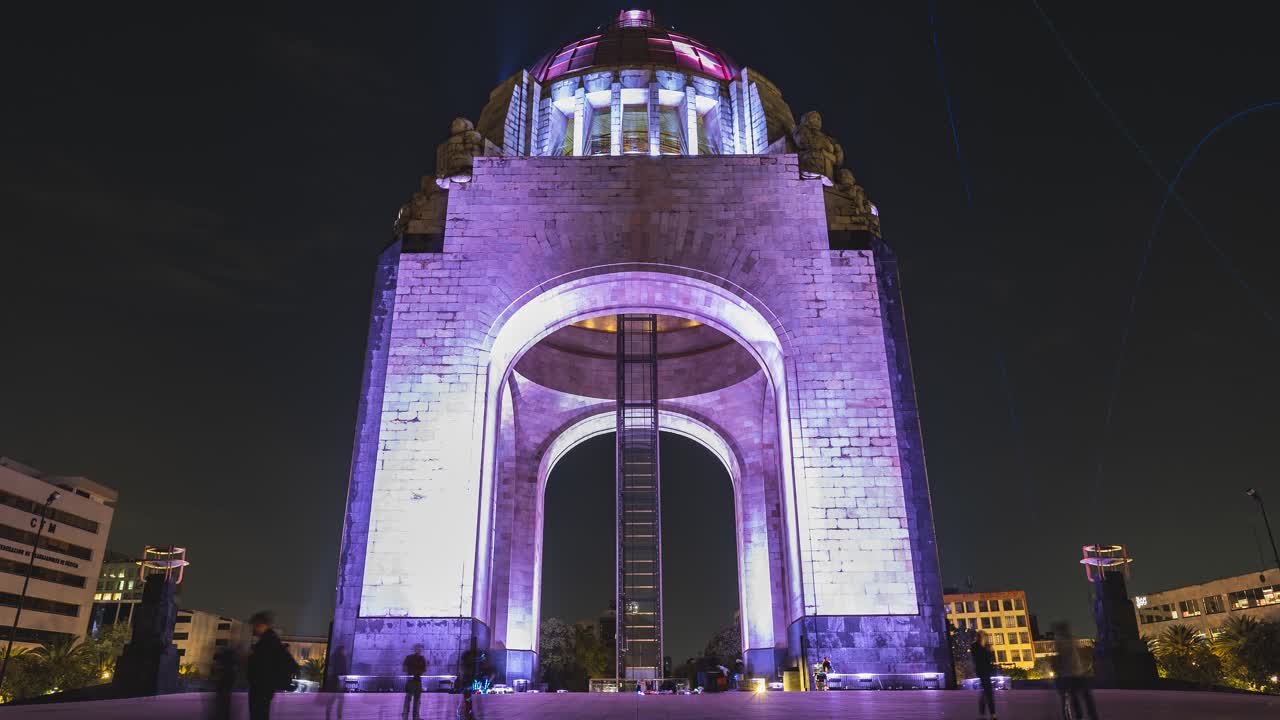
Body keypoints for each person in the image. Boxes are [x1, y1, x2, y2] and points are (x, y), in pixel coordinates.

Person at [247, 611, 297, 720]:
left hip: (261, 686)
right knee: (260, 714)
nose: (254, 629)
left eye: (255, 625)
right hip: (263, 686)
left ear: (261, 625)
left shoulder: (269, 641)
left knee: (259, 714)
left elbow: (264, 664)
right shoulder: (270, 639)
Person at [1053, 622, 1099, 719]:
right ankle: (1089, 716)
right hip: (1075, 674)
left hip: (1072, 674)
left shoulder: (1062, 641)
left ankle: (1082, 716)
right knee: (1083, 697)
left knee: (1078, 698)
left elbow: (1061, 659)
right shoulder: (1069, 640)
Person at [971, 630, 998, 719]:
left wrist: (990, 650)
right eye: (983, 636)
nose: (985, 637)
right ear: (979, 636)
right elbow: (977, 658)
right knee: (988, 693)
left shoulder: (987, 646)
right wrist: (984, 647)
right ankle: (991, 714)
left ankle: (985, 715)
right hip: (981, 671)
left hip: (987, 671)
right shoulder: (975, 646)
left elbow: (991, 658)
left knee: (986, 693)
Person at [209, 643, 238, 720]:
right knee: (223, 708)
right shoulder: (231, 668)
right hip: (224, 691)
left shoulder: (227, 668)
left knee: (222, 708)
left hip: (223, 691)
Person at [403, 644, 426, 720]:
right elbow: (423, 670)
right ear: (415, 649)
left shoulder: (413, 658)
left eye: (419, 648)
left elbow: (405, 668)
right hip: (414, 681)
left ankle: (408, 717)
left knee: (412, 699)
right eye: (418, 648)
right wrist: (416, 672)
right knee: (412, 699)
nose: (419, 650)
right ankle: (413, 717)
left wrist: (412, 672)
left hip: (414, 681)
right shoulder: (416, 658)